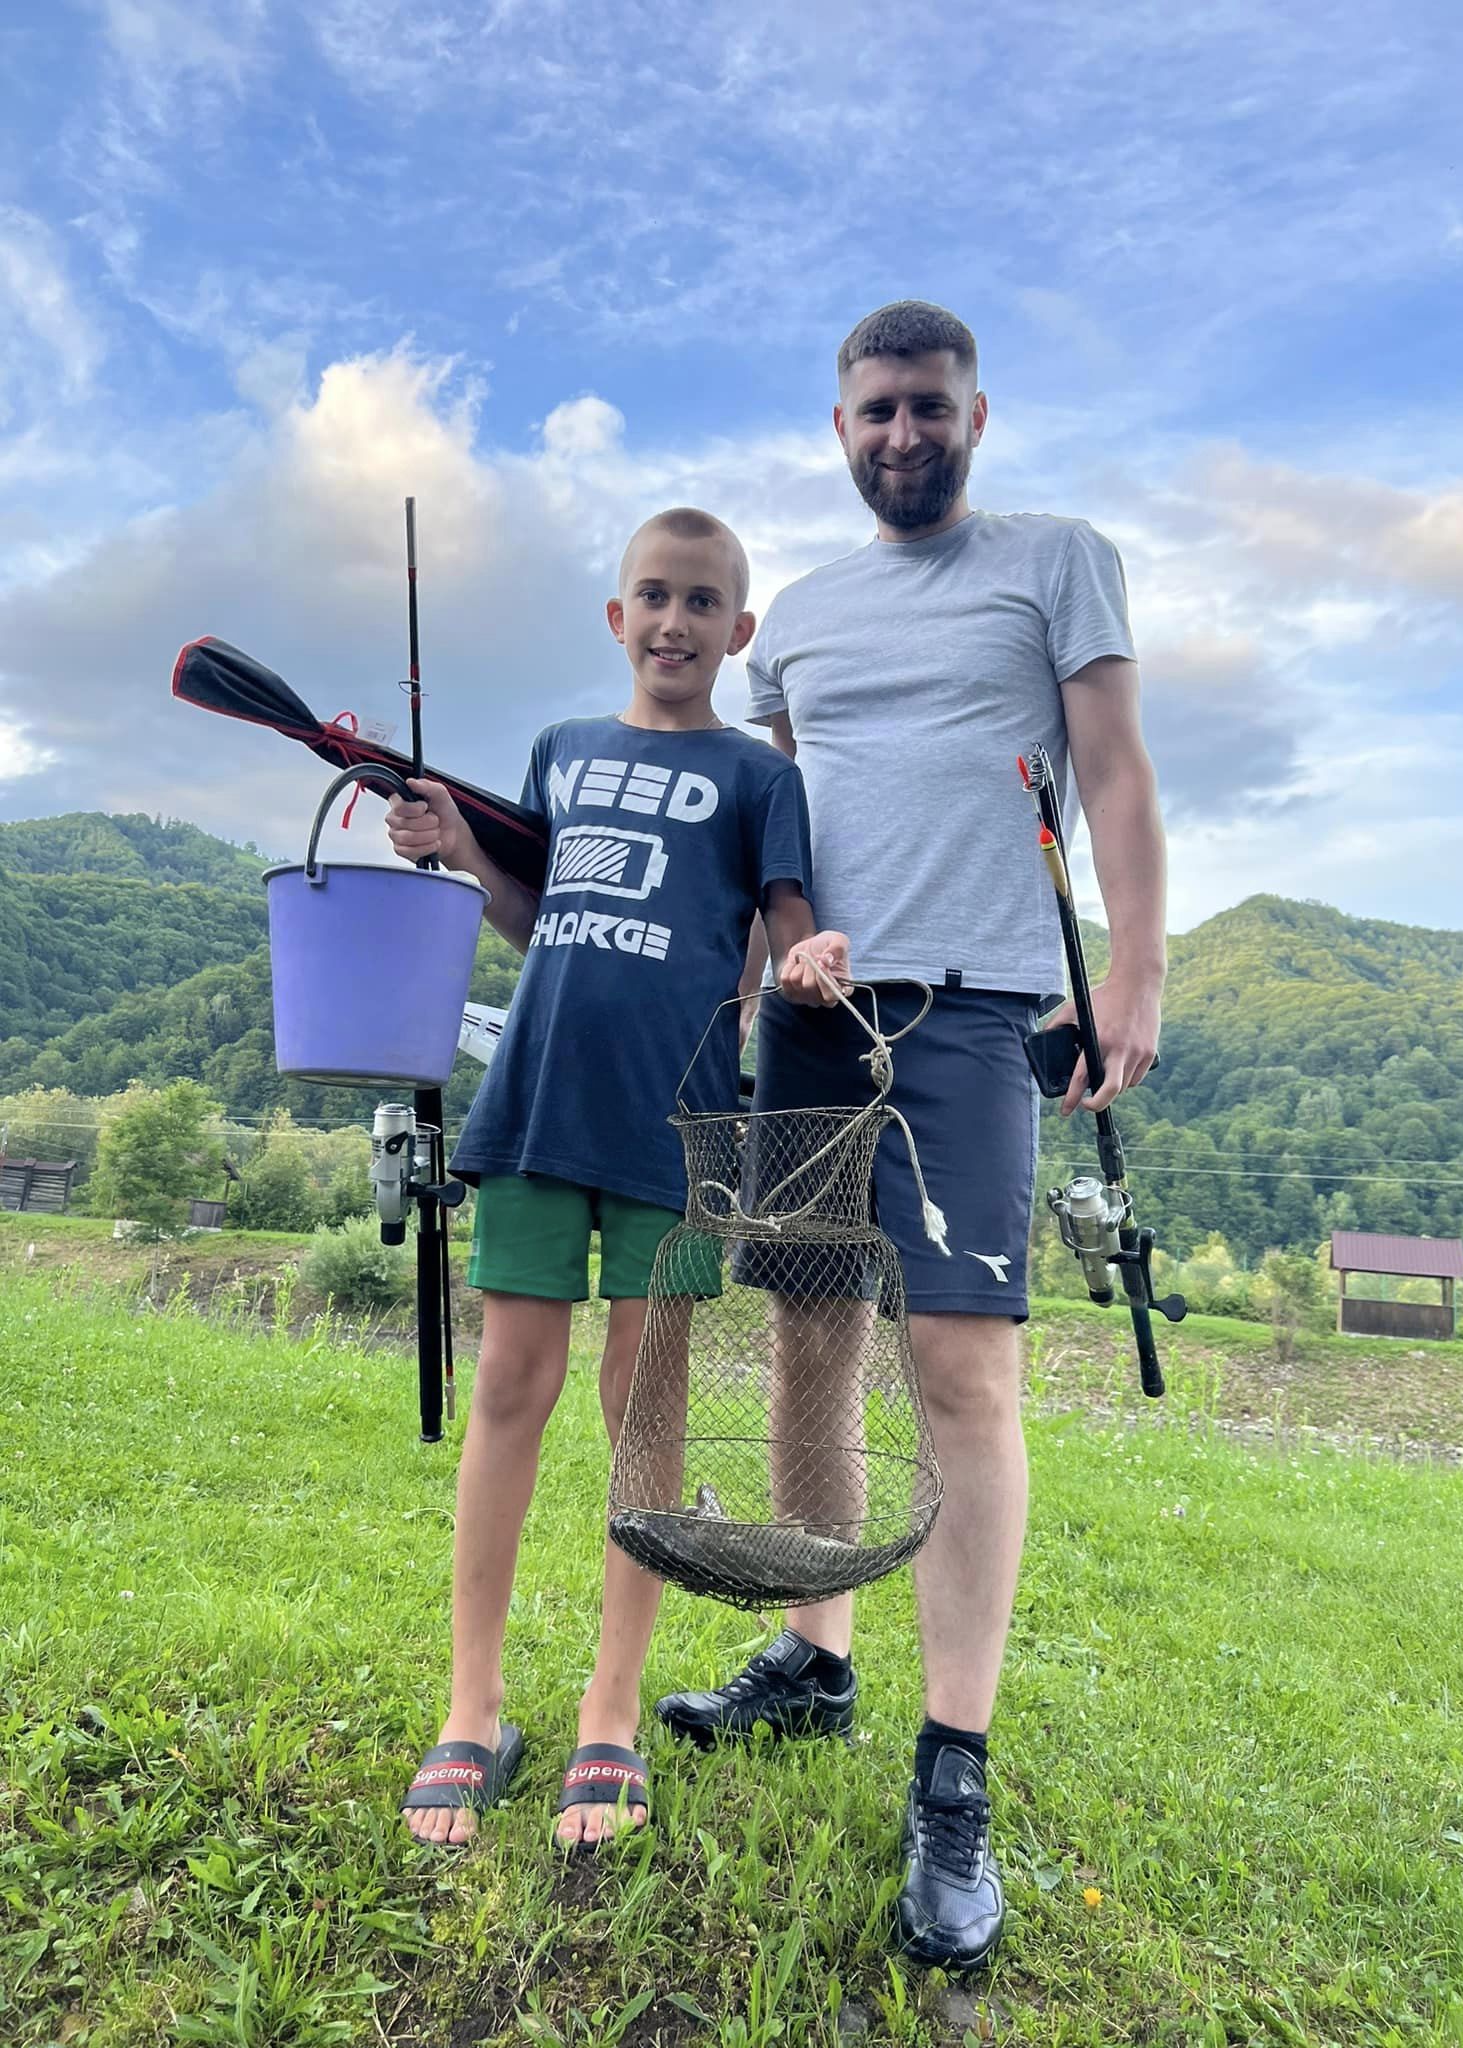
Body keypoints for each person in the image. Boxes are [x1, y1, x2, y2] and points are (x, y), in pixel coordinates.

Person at [654, 304, 1167, 1969]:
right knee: (810, 1341)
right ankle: (818, 1656)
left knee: (961, 1374)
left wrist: (1136, 975)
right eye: (876, 409)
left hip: (973, 1010)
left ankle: (954, 1770)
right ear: (840, 425)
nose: (902, 433)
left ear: (977, 414)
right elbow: (777, 826)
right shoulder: (797, 618)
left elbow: (1114, 771)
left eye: (929, 406)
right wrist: (748, 971)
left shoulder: (1057, 561)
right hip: (813, 1018)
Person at [391, 507, 850, 1852]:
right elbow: (538, 920)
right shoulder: (561, 751)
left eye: (703, 602)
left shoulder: (761, 777)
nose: (674, 622)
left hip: (680, 1131)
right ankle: (472, 1708)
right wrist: (462, 852)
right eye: (653, 595)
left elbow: (788, 926)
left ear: (739, 631)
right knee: (509, 1388)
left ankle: (611, 1712)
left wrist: (810, 958)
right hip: (535, 1107)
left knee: (643, 1411)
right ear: (616, 615)